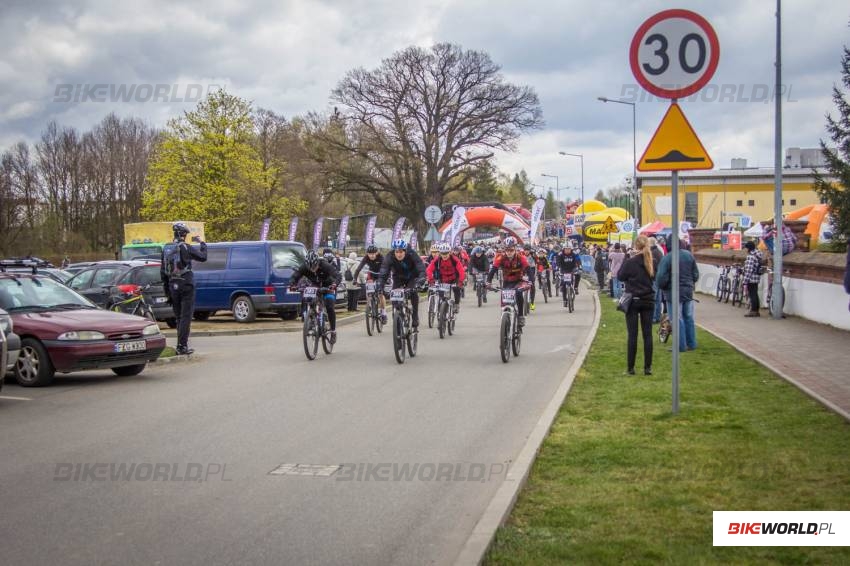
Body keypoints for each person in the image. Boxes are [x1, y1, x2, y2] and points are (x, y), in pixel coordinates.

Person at [161, 222, 208, 356]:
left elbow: (163, 272)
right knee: (186, 317)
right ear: (184, 235)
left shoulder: (166, 248)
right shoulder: (185, 247)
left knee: (178, 317)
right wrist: (202, 243)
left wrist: (167, 291)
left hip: (172, 285)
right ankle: (182, 346)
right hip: (186, 284)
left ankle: (180, 345)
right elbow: (203, 257)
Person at [617, 235, 655, 375]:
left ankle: (631, 368)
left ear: (636, 246)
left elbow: (620, 276)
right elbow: (654, 277)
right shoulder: (651, 261)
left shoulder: (631, 262)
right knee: (648, 335)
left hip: (633, 299)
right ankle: (647, 368)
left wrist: (626, 258)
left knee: (633, 335)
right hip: (648, 299)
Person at [655, 239, 700, 351]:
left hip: (673, 292)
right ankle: (691, 343)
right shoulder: (689, 255)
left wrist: (663, 287)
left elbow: (661, 277)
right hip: (688, 291)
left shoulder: (668, 258)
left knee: (676, 319)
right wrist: (690, 282)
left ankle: (681, 345)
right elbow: (696, 274)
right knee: (688, 317)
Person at [291, 250, 342, 342]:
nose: (312, 269)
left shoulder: (325, 265)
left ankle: (333, 331)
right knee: (308, 299)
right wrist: (292, 284)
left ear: (318, 262)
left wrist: (334, 285)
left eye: (314, 266)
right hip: (315, 285)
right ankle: (311, 318)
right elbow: (295, 276)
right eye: (310, 267)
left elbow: (338, 275)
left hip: (328, 285)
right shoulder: (304, 267)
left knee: (330, 306)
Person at [377, 239, 426, 328]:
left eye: (401, 252)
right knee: (395, 298)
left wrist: (421, 279)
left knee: (413, 292)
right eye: (397, 252)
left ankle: (415, 315)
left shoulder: (411, 254)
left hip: (412, 277)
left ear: (405, 251)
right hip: (398, 277)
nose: (399, 254)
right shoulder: (390, 257)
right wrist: (380, 285)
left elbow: (420, 267)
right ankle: (398, 316)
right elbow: (383, 273)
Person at [486, 237, 533, 327]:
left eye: (511, 250)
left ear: (515, 249)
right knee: (504, 298)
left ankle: (520, 316)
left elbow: (529, 270)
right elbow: (493, 270)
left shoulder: (521, 257)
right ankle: (504, 315)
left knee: (519, 294)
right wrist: (488, 282)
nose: (509, 252)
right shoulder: (501, 258)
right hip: (507, 282)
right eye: (507, 250)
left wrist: (530, 282)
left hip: (518, 281)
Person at [426, 242, 465, 313]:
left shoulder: (454, 260)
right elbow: (429, 269)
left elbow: (461, 271)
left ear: (449, 252)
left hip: (454, 278)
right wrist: (431, 279)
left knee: (456, 289)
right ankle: (442, 311)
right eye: (442, 253)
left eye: (446, 253)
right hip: (443, 279)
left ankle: (456, 304)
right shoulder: (437, 260)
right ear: (440, 253)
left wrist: (460, 281)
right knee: (442, 296)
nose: (444, 255)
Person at [354, 245, 386, 320]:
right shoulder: (366, 258)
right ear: (367, 254)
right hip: (371, 274)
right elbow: (358, 269)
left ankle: (383, 312)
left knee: (380, 294)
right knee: (368, 289)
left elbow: (387, 268)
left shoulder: (381, 258)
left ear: (376, 253)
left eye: (373, 254)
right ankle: (370, 303)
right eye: (370, 254)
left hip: (380, 275)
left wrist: (387, 278)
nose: (371, 255)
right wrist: (355, 279)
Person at [742, 241, 764, 317]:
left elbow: (749, 269)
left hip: (751, 278)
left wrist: (745, 281)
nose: (745, 250)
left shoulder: (750, 257)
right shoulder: (758, 254)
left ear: (748, 248)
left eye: (746, 248)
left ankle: (754, 310)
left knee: (752, 294)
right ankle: (756, 310)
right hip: (756, 277)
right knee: (755, 293)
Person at [649, 237, 665, 323]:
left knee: (653, 299)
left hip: (654, 278)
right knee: (658, 299)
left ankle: (654, 317)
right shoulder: (659, 252)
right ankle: (658, 317)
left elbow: (651, 267)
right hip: (659, 278)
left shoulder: (651, 253)